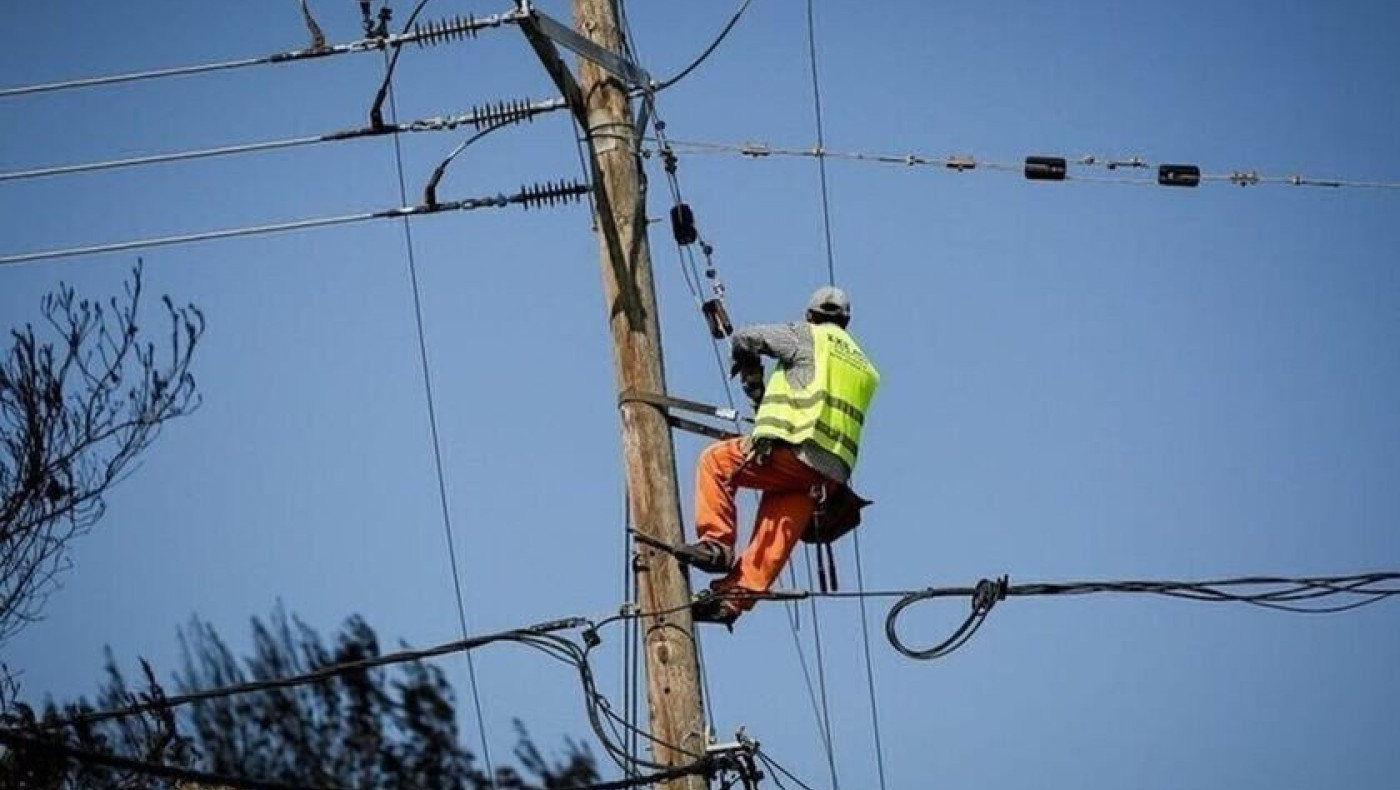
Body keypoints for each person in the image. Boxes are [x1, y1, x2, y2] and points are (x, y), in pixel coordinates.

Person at [680, 286, 881, 626]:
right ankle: (731, 601)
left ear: (810, 316)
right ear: (845, 321)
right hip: (830, 473)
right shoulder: (863, 364)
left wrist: (748, 367)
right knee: (776, 530)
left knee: (716, 462)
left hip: (798, 451)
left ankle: (716, 545)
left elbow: (747, 337)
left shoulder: (807, 336)